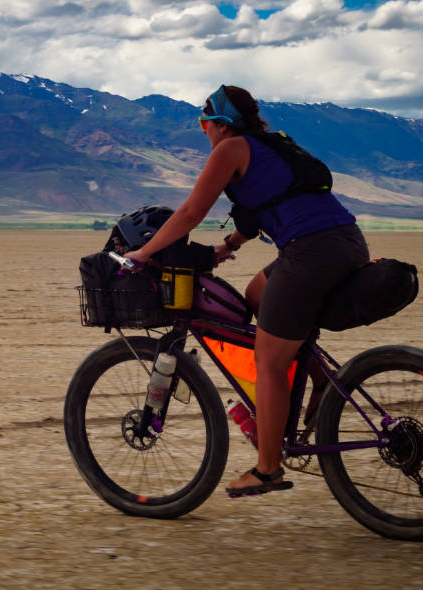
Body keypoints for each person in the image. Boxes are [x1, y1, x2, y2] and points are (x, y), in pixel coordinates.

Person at [124, 85, 369, 497]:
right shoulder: (270, 144)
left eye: (205, 124)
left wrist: (144, 253)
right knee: (256, 296)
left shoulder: (230, 148)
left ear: (221, 124)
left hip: (310, 251)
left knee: (270, 362)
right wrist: (226, 247)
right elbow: (261, 212)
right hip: (344, 240)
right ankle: (323, 381)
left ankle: (268, 469)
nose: (203, 132)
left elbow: (190, 212)